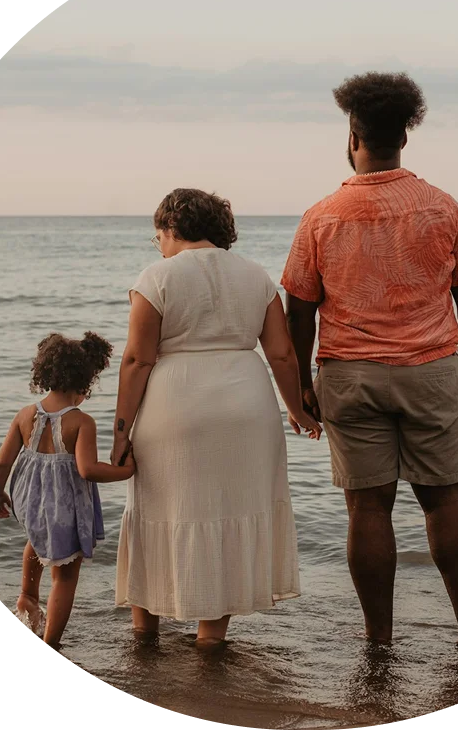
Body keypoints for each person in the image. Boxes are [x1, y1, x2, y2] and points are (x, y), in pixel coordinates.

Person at [281, 72, 458, 648]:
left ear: (353, 138)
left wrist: (301, 384)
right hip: (431, 371)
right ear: (403, 137)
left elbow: (298, 312)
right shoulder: (443, 208)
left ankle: (379, 637)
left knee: (367, 509)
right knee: (446, 499)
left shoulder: (321, 216)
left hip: (349, 376)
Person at [112, 188, 322, 648]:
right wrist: (297, 409)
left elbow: (136, 361)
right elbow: (282, 355)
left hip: (176, 406)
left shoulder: (156, 278)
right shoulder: (255, 276)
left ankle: (144, 636)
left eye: (158, 237)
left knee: (157, 510)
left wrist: (120, 433)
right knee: (229, 513)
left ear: (171, 227)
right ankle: (210, 641)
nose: (159, 247)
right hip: (247, 409)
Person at [0, 331, 135, 647]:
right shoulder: (81, 422)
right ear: (85, 382)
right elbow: (87, 469)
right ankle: (51, 641)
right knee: (65, 576)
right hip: (64, 505)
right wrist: (125, 471)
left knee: (36, 540)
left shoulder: (25, 414)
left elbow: (1, 463)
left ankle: (27, 596)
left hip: (29, 500)